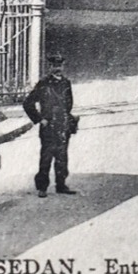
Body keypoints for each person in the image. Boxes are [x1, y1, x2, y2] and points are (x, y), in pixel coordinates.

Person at [23, 52, 78, 197]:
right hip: (48, 126)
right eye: (54, 66)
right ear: (49, 67)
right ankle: (42, 187)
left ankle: (61, 184)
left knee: (62, 156)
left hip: (63, 125)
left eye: (59, 65)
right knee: (46, 157)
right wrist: (40, 119)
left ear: (63, 66)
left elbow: (69, 103)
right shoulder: (43, 84)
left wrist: (66, 118)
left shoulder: (66, 83)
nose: (57, 68)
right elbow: (28, 103)